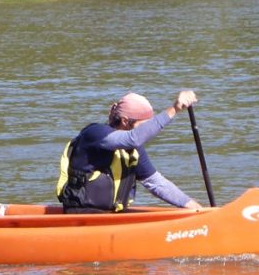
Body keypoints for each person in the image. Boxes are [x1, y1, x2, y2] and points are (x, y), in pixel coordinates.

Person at [57, 90, 203, 212]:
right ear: (125, 121)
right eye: (144, 126)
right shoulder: (95, 134)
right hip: (82, 217)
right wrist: (175, 109)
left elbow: (156, 183)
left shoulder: (132, 150)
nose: (147, 132)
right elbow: (134, 138)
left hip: (112, 217)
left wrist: (196, 209)